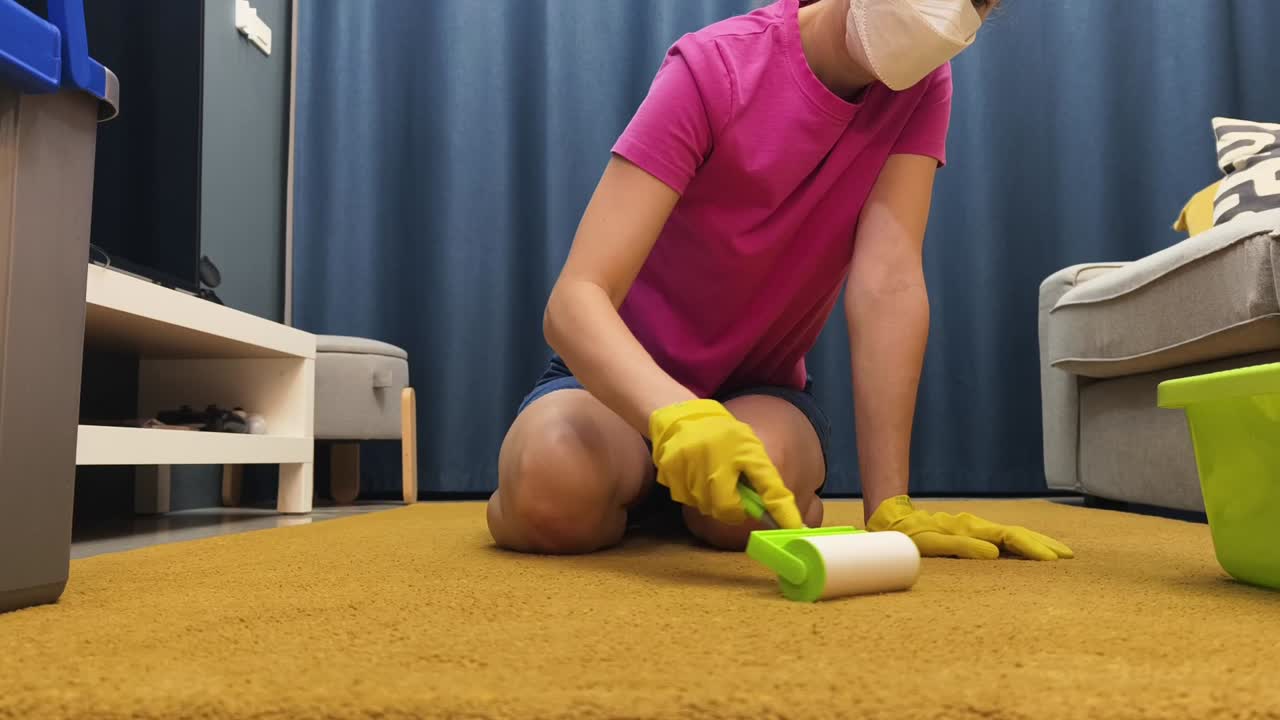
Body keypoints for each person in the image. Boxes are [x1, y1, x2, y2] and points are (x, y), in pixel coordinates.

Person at [487, 0, 1073, 562]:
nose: (944, 9)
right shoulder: (714, 66)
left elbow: (888, 283)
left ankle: (656, 500)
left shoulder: (922, 87)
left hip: (756, 393)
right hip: (616, 389)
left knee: (748, 507)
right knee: (551, 487)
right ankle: (632, 489)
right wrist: (677, 415)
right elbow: (576, 299)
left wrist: (889, 506)